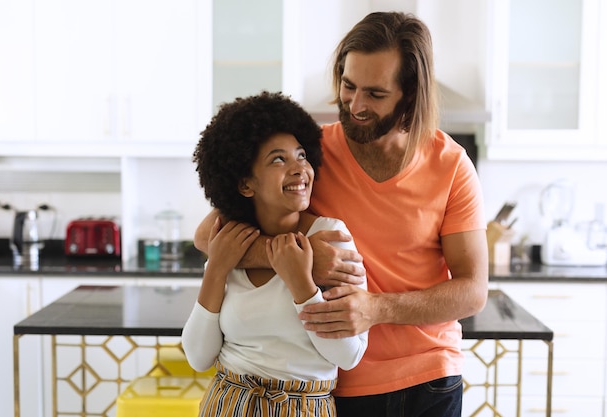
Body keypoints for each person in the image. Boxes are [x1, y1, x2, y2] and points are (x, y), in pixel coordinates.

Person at [194, 11, 488, 417]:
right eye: (348, 87)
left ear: (410, 94)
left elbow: (473, 291)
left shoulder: (451, 165)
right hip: (340, 382)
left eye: (376, 94)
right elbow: (208, 236)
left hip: (430, 378)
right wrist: (299, 256)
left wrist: (377, 308)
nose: (356, 105)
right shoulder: (311, 155)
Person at [182, 91, 368, 417]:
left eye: (302, 156)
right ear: (245, 184)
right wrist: (217, 268)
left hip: (304, 407)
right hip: (229, 403)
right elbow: (198, 356)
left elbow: (348, 355)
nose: (299, 169)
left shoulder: (331, 238)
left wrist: (302, 285)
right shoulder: (231, 241)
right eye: (278, 160)